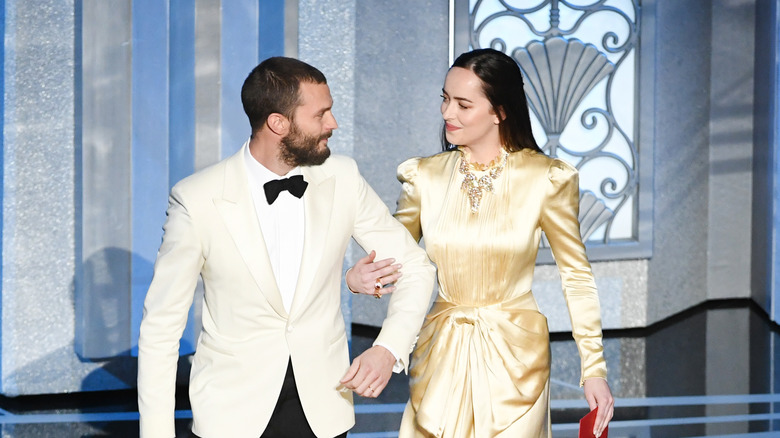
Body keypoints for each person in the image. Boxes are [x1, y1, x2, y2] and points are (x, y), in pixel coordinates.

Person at [137, 56, 435, 438]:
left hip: (324, 408)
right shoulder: (197, 200)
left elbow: (416, 267)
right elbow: (161, 330)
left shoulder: (342, 177)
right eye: (321, 114)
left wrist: (388, 348)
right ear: (278, 123)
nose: (333, 124)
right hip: (231, 416)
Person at [346, 48, 614, 437]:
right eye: (444, 98)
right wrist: (360, 279)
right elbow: (396, 258)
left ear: (499, 111)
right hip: (441, 354)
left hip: (517, 359)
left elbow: (576, 276)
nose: (446, 113)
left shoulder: (545, 179)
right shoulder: (424, 176)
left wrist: (594, 369)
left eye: (463, 104)